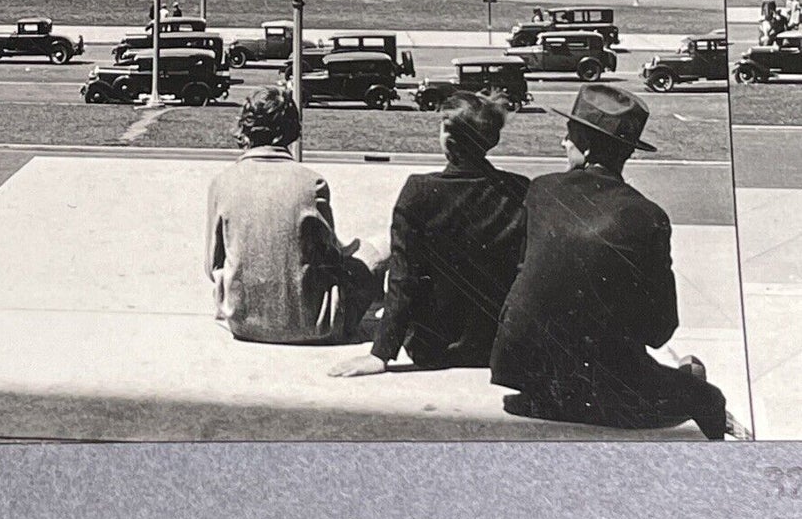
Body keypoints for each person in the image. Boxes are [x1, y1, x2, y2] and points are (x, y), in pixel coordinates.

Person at [489, 84, 729, 441]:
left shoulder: (541, 190)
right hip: (599, 388)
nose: (562, 143)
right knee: (708, 397)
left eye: (568, 136)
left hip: (527, 375)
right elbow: (660, 329)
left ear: (585, 148)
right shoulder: (648, 216)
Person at [329, 93, 528, 378]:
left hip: (431, 347)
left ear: (448, 138)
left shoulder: (419, 192)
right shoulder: (519, 190)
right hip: (493, 345)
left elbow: (403, 278)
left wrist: (380, 353)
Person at [205, 88, 386, 345]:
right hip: (314, 325)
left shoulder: (222, 182)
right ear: (290, 130)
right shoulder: (312, 182)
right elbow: (332, 256)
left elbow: (212, 266)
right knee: (379, 247)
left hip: (244, 324)